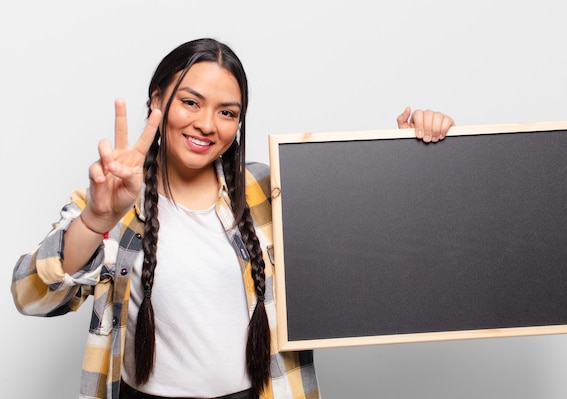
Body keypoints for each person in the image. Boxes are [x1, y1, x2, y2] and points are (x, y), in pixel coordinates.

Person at [10, 38, 455, 399]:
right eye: (190, 102)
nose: (207, 124)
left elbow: (372, 242)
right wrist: (95, 217)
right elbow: (31, 297)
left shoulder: (270, 191)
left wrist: (407, 151)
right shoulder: (113, 199)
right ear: (157, 101)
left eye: (227, 113)